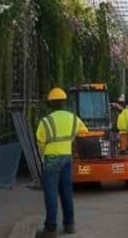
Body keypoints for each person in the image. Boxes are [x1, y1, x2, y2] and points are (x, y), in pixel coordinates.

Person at [35, 87, 88, 237]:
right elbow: (84, 132)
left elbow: (40, 141)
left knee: (51, 193)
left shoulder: (46, 121)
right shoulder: (73, 118)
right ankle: (69, 225)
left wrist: (43, 157)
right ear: (64, 103)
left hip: (51, 158)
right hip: (67, 157)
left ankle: (51, 229)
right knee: (66, 192)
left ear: (50, 104)